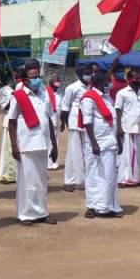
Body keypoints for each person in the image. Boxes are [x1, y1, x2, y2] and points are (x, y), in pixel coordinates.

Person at [8, 60, 58, 225]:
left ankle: (42, 212)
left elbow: (49, 119)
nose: (36, 79)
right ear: (25, 79)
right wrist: (14, 146)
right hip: (26, 144)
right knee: (27, 181)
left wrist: (54, 143)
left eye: (38, 76)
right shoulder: (19, 95)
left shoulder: (44, 93)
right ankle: (26, 214)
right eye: (33, 77)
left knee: (42, 180)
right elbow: (12, 122)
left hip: (43, 143)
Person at [81, 70, 122, 219]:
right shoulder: (89, 98)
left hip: (109, 141)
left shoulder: (108, 98)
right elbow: (87, 122)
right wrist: (94, 143)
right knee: (94, 174)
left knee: (109, 175)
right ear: (100, 82)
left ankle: (107, 206)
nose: (110, 83)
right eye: (107, 81)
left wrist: (117, 140)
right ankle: (92, 206)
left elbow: (113, 121)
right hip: (96, 142)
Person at [59, 63, 94, 192]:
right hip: (75, 123)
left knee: (87, 152)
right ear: (79, 74)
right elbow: (65, 108)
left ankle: (85, 179)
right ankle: (71, 180)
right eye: (87, 72)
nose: (89, 75)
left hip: (88, 124)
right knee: (74, 152)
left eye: (90, 72)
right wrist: (67, 124)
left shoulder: (92, 87)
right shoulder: (72, 88)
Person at [115, 69, 140, 188]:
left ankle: (136, 178)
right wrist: (119, 127)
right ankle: (125, 179)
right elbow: (118, 110)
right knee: (127, 154)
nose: (138, 80)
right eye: (135, 78)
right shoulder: (122, 93)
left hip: (139, 127)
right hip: (127, 127)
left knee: (138, 154)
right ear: (129, 79)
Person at [0, 73, 17, 184]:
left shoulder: (20, 87)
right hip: (9, 122)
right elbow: (3, 107)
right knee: (9, 151)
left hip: (20, 123)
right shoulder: (4, 90)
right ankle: (7, 175)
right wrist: (13, 98)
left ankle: (16, 173)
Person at [46, 73, 63, 170]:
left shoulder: (60, 94)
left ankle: (53, 160)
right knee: (49, 140)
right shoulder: (46, 92)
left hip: (57, 120)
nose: (57, 82)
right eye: (55, 80)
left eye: (58, 80)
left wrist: (63, 122)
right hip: (49, 119)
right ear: (51, 82)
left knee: (55, 141)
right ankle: (48, 162)